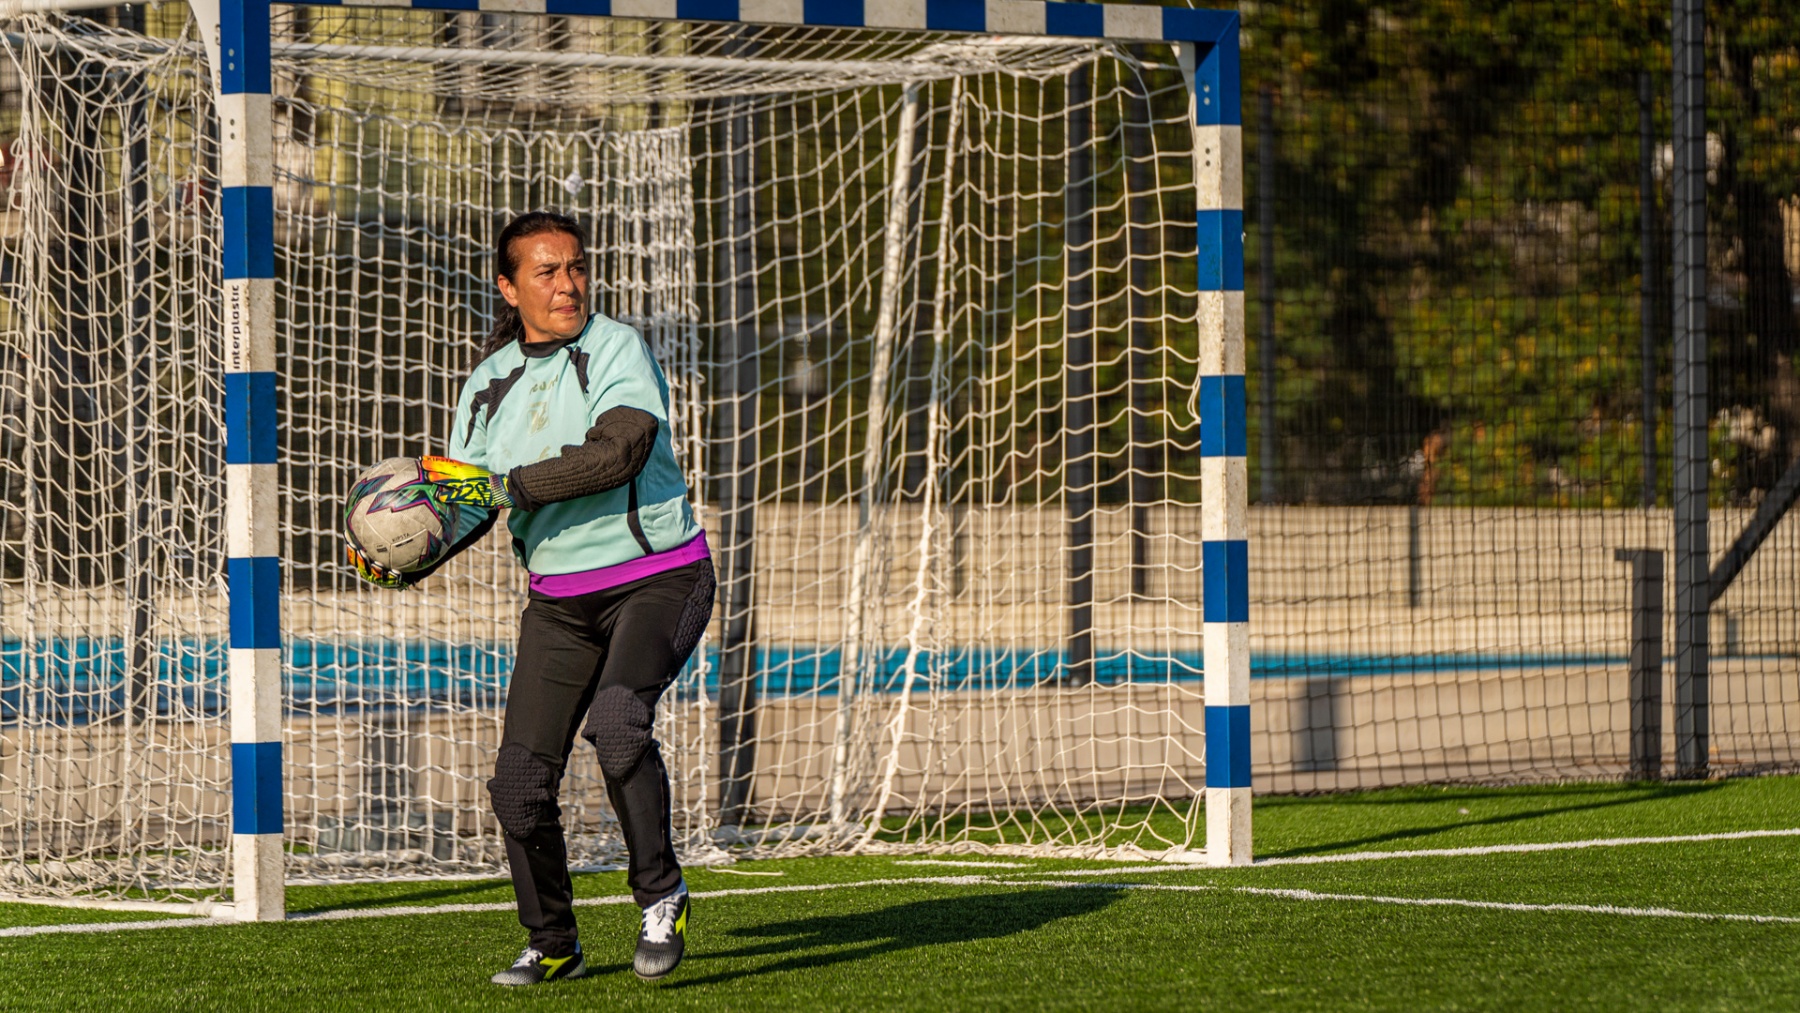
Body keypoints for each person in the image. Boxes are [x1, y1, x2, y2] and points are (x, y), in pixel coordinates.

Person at [347, 211, 713, 985]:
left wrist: (508, 485)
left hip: (658, 579)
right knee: (517, 784)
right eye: (546, 272)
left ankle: (662, 893)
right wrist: (410, 555)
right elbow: (470, 501)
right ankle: (553, 941)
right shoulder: (485, 386)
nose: (567, 284)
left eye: (575, 267)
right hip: (559, 605)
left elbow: (619, 453)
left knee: (618, 725)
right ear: (509, 288)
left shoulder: (616, 347)